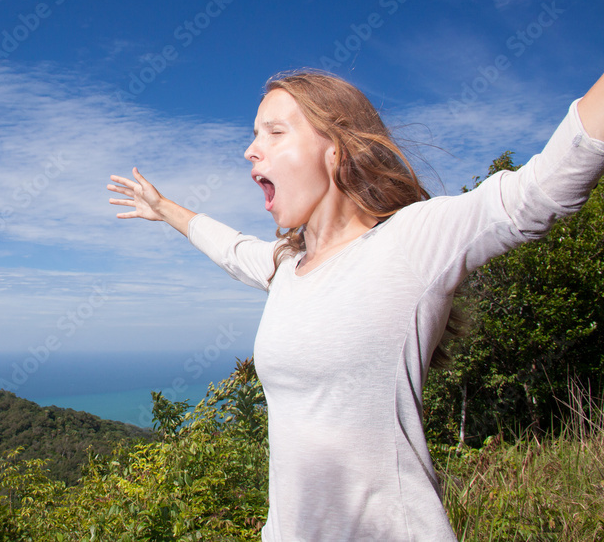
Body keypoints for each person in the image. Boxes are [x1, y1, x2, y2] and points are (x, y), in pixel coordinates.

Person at [107, 68, 604, 541]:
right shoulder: (288, 268)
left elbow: (539, 192)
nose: (249, 150)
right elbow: (233, 250)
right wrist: (163, 208)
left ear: (335, 148)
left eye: (273, 132)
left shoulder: (411, 242)